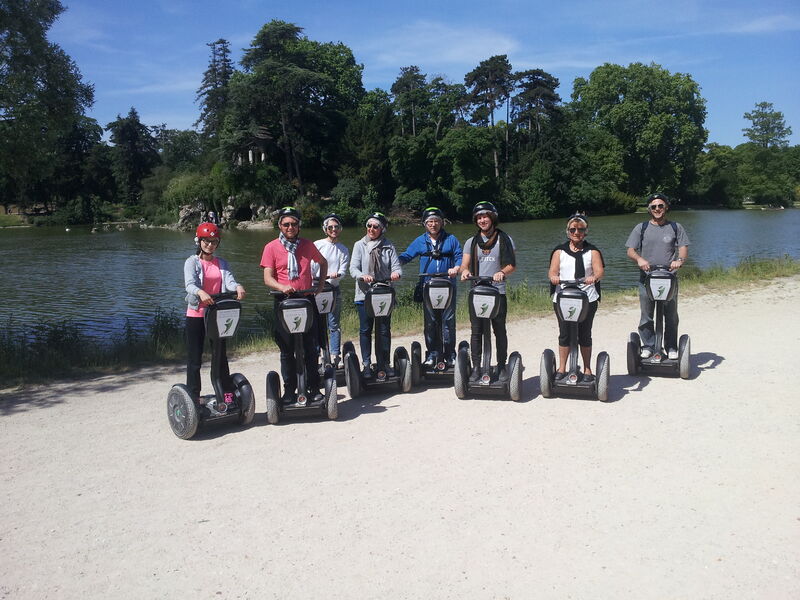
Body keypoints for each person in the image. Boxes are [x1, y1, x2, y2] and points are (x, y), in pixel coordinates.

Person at [261, 207, 328, 402]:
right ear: (280, 226)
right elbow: (267, 277)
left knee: (310, 346)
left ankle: (314, 387)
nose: (290, 227)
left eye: (294, 224)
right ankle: (290, 389)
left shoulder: (307, 245)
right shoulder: (271, 247)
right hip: (284, 302)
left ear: (299, 226)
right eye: (286, 224)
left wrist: (320, 285)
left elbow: (323, 263)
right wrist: (281, 287)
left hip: (306, 300)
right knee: (287, 349)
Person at [183, 222, 246, 400]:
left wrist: (238, 286)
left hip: (217, 315)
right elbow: (189, 284)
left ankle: (225, 394)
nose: (210, 245)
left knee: (220, 356)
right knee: (195, 359)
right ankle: (194, 397)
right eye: (207, 241)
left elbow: (229, 282)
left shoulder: (222, 263)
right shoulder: (192, 262)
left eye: (214, 241)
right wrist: (200, 291)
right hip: (196, 315)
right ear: (199, 241)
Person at [625, 193, 690, 359]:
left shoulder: (676, 227)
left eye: (660, 206)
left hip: (669, 278)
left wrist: (679, 260)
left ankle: (671, 346)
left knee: (671, 315)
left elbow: (683, 248)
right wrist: (639, 259)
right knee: (646, 315)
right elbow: (630, 250)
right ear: (649, 209)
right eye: (653, 206)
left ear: (666, 207)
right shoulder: (642, 228)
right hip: (647, 278)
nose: (657, 209)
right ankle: (648, 345)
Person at [460, 201, 516, 381]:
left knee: (499, 329)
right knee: (476, 331)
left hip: (497, 291)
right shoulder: (471, 242)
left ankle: (501, 366)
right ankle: (476, 367)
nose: (482, 220)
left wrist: (501, 272)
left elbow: (511, 265)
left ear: (492, 218)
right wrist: (465, 271)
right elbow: (464, 264)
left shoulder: (504, 239)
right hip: (477, 291)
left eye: (485, 216)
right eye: (479, 217)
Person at [399, 207, 462, 367]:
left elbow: (459, 256)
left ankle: (450, 354)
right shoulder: (419, 241)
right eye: (430, 222)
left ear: (441, 222)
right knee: (430, 321)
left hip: (448, 286)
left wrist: (457, 268)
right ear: (424, 224)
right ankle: (432, 354)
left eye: (436, 221)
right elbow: (406, 256)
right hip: (428, 287)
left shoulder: (451, 239)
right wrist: (393, 263)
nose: (433, 224)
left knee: (448, 321)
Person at [548, 214, 605, 380]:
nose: (576, 232)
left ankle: (587, 369)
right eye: (573, 229)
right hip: (563, 297)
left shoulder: (593, 251)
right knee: (564, 333)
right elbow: (552, 271)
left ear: (586, 232)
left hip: (587, 297)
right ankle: (562, 368)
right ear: (567, 232)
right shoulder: (559, 251)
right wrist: (554, 277)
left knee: (584, 333)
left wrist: (593, 277)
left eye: (580, 229)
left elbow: (600, 271)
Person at [349, 212, 402, 378]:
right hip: (364, 294)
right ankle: (366, 364)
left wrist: (396, 274)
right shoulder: (359, 245)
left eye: (376, 226)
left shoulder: (388, 246)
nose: (371, 229)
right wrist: (362, 276)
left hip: (384, 294)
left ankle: (384, 363)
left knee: (384, 330)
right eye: (369, 225)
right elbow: (353, 268)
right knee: (366, 329)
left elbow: (397, 267)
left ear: (382, 229)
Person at [312, 213, 350, 367]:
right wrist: (317, 277)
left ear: (340, 229)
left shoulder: (343, 249)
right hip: (316, 289)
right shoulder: (317, 244)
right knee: (316, 324)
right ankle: (317, 354)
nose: (334, 229)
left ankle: (335, 355)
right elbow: (310, 265)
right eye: (330, 227)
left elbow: (343, 270)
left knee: (334, 324)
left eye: (336, 227)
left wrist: (336, 275)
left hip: (333, 288)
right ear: (325, 229)